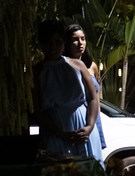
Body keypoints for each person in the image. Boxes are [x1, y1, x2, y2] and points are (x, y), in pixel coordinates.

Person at [34, 19, 103, 164]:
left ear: (63, 42)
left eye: (57, 41)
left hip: (83, 130)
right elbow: (37, 111)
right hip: (55, 132)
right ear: (41, 44)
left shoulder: (78, 65)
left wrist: (89, 127)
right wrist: (60, 134)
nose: (53, 46)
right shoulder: (37, 71)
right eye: (48, 42)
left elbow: (92, 98)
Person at [66, 22, 106, 154]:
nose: (80, 43)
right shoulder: (65, 66)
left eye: (82, 39)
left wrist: (97, 119)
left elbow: (96, 97)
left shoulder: (92, 66)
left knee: (96, 155)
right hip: (78, 116)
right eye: (75, 39)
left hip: (94, 116)